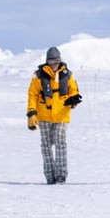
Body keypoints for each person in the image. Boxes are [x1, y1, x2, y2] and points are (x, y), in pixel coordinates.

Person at [26, 46, 82, 184]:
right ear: (47, 61)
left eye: (56, 61)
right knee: (46, 145)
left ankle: (61, 174)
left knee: (60, 142)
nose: (54, 64)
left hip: (62, 114)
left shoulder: (68, 74)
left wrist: (73, 100)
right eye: (51, 62)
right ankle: (50, 175)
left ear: (60, 60)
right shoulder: (38, 75)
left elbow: (74, 91)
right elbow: (32, 95)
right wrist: (31, 113)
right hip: (44, 115)